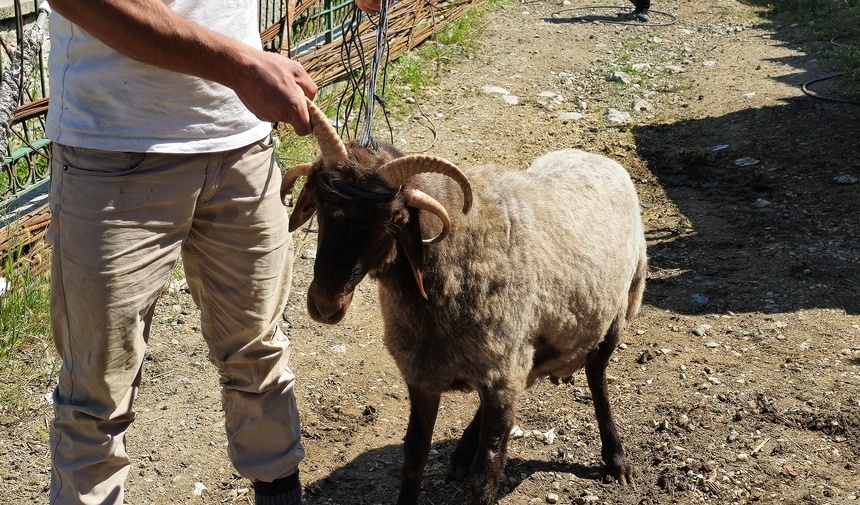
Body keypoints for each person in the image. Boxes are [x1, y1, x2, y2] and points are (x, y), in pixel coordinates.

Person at [44, 0, 318, 504]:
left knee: (258, 352)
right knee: (95, 392)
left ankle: (279, 490)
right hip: (112, 148)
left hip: (243, 145)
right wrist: (241, 64)